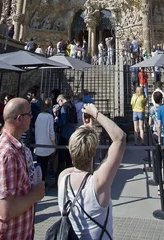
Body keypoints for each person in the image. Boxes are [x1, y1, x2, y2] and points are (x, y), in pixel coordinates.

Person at [57, 103, 125, 239]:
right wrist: (96, 113)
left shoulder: (63, 178)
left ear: (71, 151)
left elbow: (79, 167)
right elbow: (120, 137)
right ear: (93, 152)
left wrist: (87, 130)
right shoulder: (98, 183)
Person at [0, 98, 45, 239]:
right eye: (29, 114)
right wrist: (35, 195)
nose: (32, 117)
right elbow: (7, 210)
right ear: (19, 119)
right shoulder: (7, 155)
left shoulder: (16, 148)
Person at [56, 95, 77, 177]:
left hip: (64, 134)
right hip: (71, 133)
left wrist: (56, 123)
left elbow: (63, 121)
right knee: (69, 157)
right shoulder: (72, 106)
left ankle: (59, 177)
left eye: (58, 102)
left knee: (61, 158)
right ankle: (70, 176)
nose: (59, 104)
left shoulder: (63, 107)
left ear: (61, 100)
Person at [35, 102, 56, 182]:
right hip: (47, 143)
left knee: (39, 164)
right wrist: (54, 143)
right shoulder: (50, 117)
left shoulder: (39, 115)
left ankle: (39, 180)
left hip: (39, 142)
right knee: (45, 164)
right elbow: (51, 131)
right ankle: (42, 181)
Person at [149, 91, 163, 189]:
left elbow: (150, 122)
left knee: (156, 157)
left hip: (155, 133)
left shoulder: (152, 109)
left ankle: (157, 178)